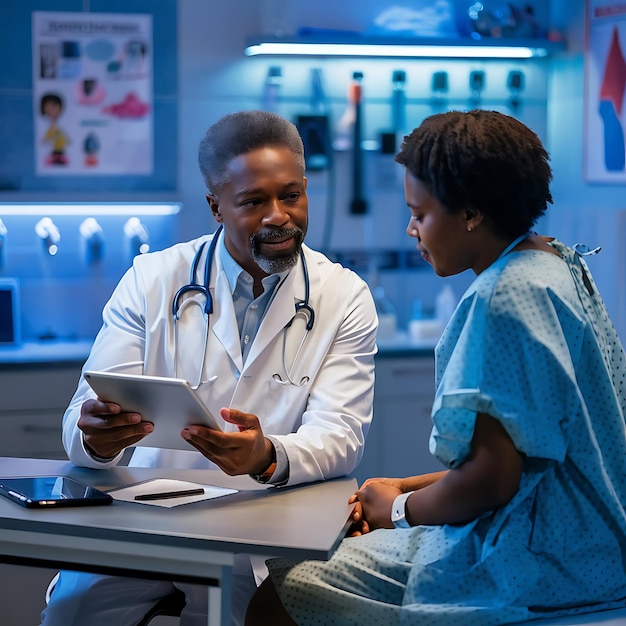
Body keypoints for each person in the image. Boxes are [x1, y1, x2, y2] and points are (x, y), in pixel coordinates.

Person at [246, 109, 626, 625]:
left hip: (543, 562)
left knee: (281, 592)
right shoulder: (555, 262)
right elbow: (528, 454)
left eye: (419, 214)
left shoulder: (503, 297)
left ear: (470, 212)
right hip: (596, 542)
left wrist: (397, 512)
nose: (411, 229)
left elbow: (493, 480)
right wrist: (404, 487)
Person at [41, 110, 378, 626]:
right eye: (253, 202)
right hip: (143, 520)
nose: (278, 216)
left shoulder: (343, 296)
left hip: (263, 526)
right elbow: (80, 420)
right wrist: (98, 439)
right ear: (215, 206)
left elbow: (342, 435)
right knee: (72, 612)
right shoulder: (152, 280)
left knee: (240, 614)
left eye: (291, 195)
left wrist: (267, 454)